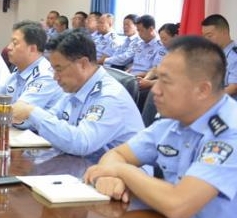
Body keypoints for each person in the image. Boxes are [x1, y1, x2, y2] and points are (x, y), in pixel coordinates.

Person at [84, 36, 237, 218]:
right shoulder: (174, 121)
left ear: (202, 90)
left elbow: (178, 205)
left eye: (166, 81)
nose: (155, 89)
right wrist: (111, 176)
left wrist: (122, 172)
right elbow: (116, 155)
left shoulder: (229, 131)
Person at [11, 29, 143, 160]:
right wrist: (24, 117)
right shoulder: (75, 88)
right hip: (81, 165)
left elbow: (82, 143)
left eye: (59, 69)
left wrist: (33, 112)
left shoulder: (110, 96)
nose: (55, 77)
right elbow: (52, 117)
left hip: (118, 171)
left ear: (83, 64)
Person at [201, 14, 237, 96]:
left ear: (225, 32)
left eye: (209, 36)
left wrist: (210, 97)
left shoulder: (234, 56)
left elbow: (234, 87)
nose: (206, 40)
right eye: (204, 36)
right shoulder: (214, 54)